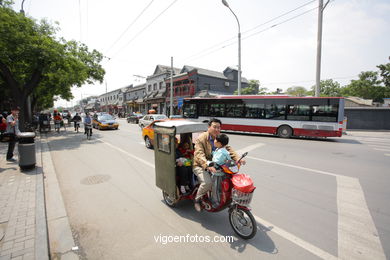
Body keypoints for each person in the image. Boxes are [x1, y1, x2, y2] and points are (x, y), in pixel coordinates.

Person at [192, 118, 244, 212]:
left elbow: (228, 148)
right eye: (214, 127)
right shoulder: (201, 138)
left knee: (229, 177)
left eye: (219, 127)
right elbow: (199, 154)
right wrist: (207, 165)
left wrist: (238, 159)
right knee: (207, 182)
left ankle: (222, 197)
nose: (217, 129)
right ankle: (197, 199)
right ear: (209, 127)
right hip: (200, 165)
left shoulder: (219, 137)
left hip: (216, 166)